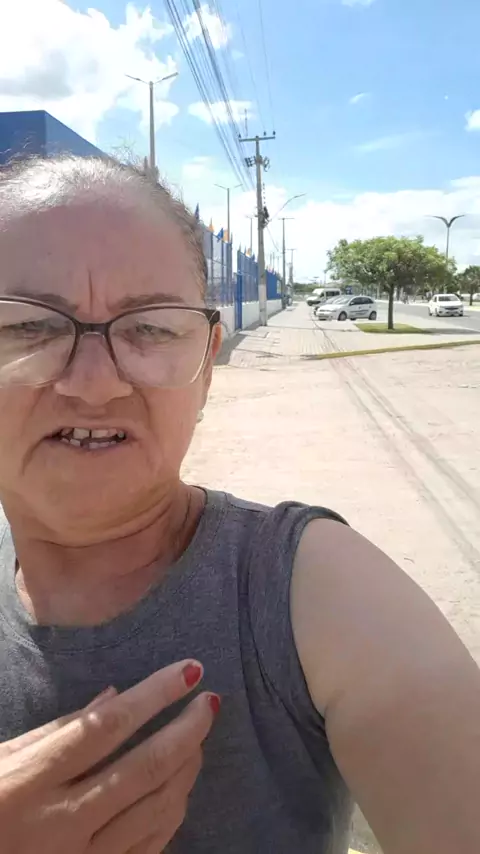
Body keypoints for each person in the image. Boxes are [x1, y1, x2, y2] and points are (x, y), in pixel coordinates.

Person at [0, 155, 478, 854]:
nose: (95, 384)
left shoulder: (312, 591)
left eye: (151, 329)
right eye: (28, 327)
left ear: (207, 366)